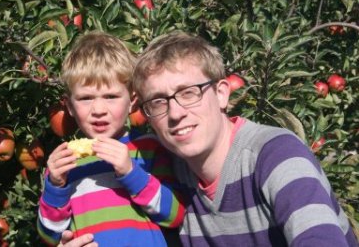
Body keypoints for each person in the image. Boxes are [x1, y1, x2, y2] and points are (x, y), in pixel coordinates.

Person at [59, 31, 357, 246]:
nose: (176, 113)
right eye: (159, 102)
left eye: (189, 92)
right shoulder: (166, 172)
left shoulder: (275, 156)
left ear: (222, 93)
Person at [37, 31, 184, 247]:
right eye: (86, 98)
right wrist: (55, 187)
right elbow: (50, 235)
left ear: (132, 100)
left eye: (111, 97)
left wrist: (131, 173)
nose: (98, 109)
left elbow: (175, 214)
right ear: (69, 106)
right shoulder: (65, 164)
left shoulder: (148, 149)